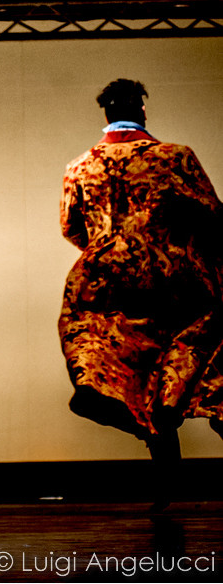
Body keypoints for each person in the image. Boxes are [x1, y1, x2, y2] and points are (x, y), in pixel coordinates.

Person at [59, 78, 222, 508]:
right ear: (143, 110)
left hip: (104, 276)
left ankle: (150, 453)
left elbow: (70, 227)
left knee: (119, 360)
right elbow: (211, 214)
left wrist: (111, 251)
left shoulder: (79, 166)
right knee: (197, 351)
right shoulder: (174, 157)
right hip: (172, 272)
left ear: (105, 115)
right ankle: (178, 408)